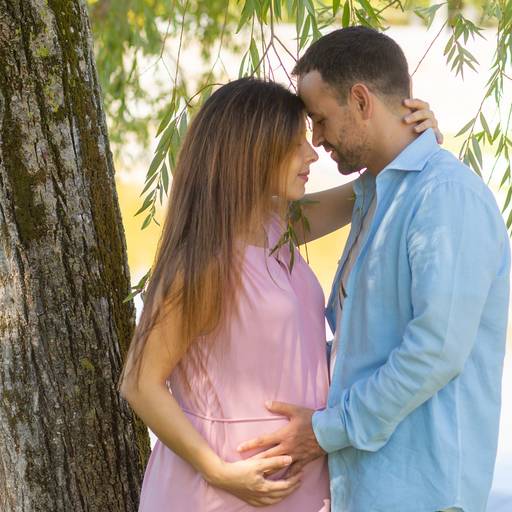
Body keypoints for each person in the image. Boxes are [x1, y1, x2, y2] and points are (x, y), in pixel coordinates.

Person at [119, 77, 440, 511]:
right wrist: (217, 470)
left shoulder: (277, 226)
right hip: (220, 490)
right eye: (295, 145)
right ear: (253, 151)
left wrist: (414, 143)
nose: (312, 155)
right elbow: (140, 384)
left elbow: (368, 191)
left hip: (293, 483)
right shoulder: (206, 259)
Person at [236, 27, 511, 512]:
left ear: (361, 100)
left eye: (320, 120)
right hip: (368, 490)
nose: (316, 141)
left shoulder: (445, 197)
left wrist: (322, 433)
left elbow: (434, 351)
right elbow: (355, 349)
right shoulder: (377, 197)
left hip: (423, 495)